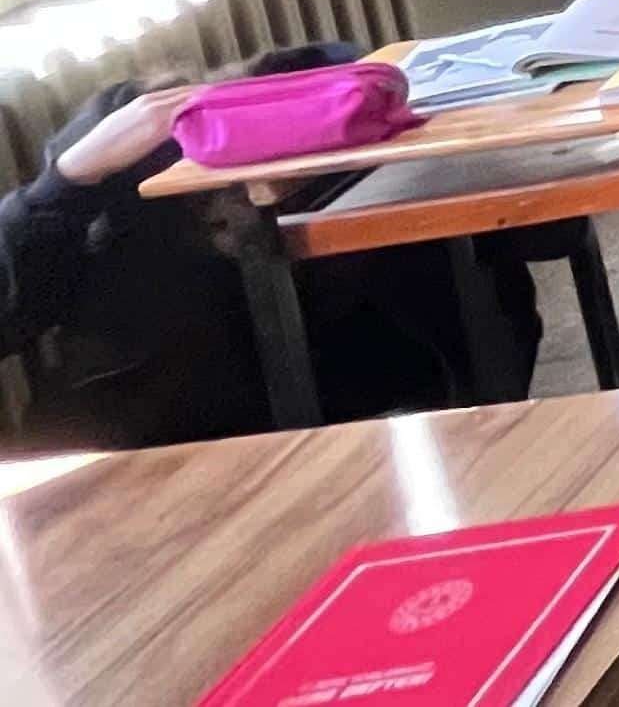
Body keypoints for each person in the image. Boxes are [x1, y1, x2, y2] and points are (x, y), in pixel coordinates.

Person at [2, 54, 543, 448]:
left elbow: (514, 277)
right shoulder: (112, 156)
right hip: (144, 434)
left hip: (344, 404)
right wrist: (68, 179)